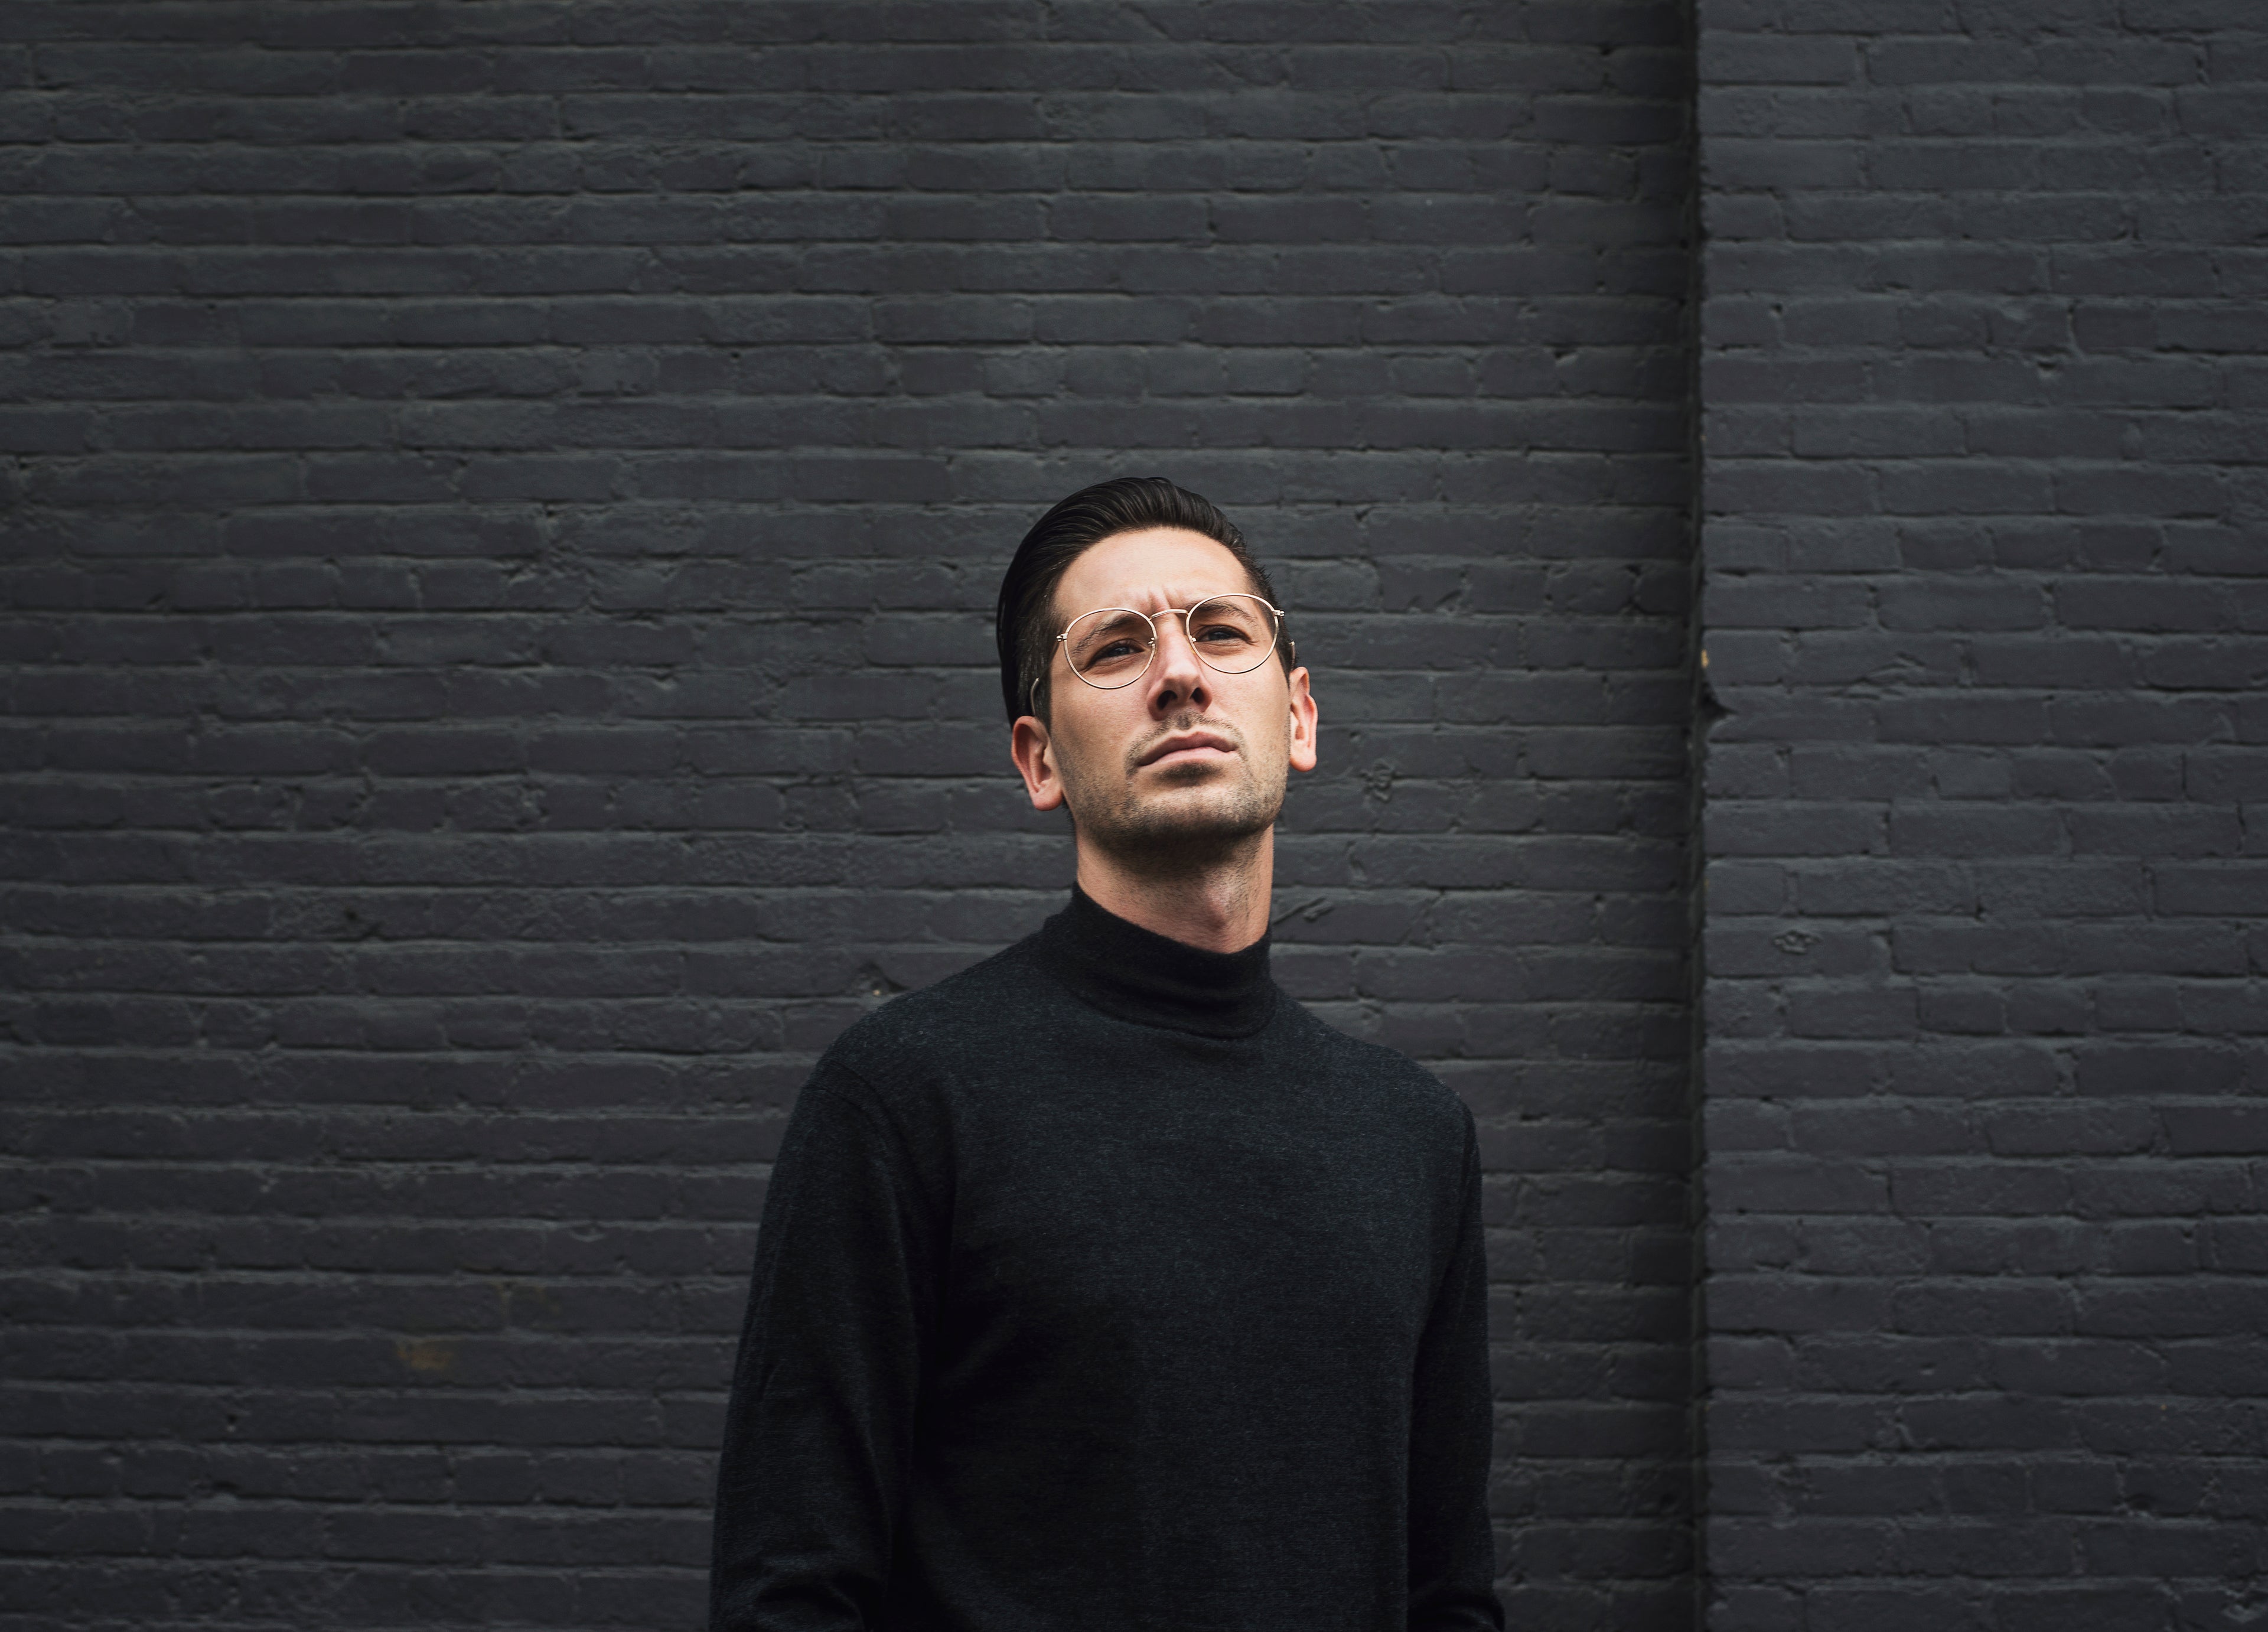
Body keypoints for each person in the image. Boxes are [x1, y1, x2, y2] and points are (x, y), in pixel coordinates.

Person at [709, 477, 1503, 1631]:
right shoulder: (907, 1097)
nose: (1179, 673)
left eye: (1219, 632)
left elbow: (1449, 1595)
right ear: (1038, 761)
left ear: (1299, 717)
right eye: (1115, 648)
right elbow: (791, 1589)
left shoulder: (1414, 1138)